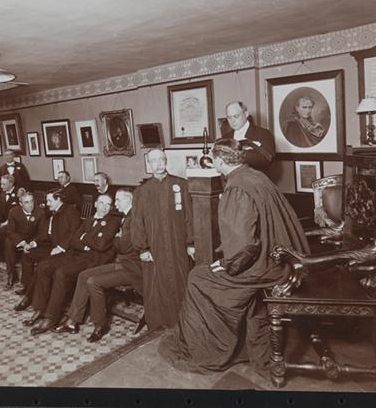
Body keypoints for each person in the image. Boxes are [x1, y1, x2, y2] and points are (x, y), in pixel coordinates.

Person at [159, 138, 310, 377]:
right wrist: (229, 261)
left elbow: (244, 245)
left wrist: (227, 265)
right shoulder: (256, 176)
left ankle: (209, 352)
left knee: (198, 278)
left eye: (214, 160)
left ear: (220, 161)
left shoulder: (236, 187)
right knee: (207, 274)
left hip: (266, 267)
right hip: (285, 260)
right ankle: (243, 345)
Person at [56, 188, 143, 342]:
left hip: (132, 268)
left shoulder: (133, 218)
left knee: (93, 282)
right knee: (84, 275)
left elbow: (122, 247)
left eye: (118, 200)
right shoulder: (126, 217)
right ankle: (72, 321)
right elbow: (120, 244)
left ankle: (100, 325)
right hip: (121, 263)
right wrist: (118, 238)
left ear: (129, 201)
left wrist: (117, 239)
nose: (115, 204)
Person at [29, 194, 121, 335]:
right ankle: (40, 308)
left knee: (61, 273)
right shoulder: (89, 219)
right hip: (77, 254)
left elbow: (101, 245)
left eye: (108, 204)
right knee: (44, 266)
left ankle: (51, 317)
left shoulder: (112, 222)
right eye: (101, 203)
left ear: (111, 207)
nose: (104, 207)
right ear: (95, 204)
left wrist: (84, 237)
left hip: (93, 260)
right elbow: (74, 240)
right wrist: (86, 244)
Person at [132, 148, 195, 330]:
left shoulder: (181, 185)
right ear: (149, 164)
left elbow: (189, 216)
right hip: (154, 246)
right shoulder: (142, 191)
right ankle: (159, 325)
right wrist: (143, 248)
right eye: (154, 161)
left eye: (161, 159)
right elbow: (137, 222)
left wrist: (191, 243)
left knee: (181, 281)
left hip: (177, 245)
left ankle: (184, 324)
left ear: (166, 161)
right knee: (156, 285)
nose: (158, 164)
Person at [15, 191, 80, 317]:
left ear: (58, 199)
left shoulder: (70, 211)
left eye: (50, 201)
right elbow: (45, 233)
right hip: (51, 245)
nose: (47, 203)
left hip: (66, 250)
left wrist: (60, 247)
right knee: (28, 254)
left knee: (43, 265)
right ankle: (29, 288)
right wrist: (34, 243)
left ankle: (29, 296)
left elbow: (74, 231)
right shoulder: (52, 212)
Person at [5, 192, 47, 294]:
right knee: (8, 244)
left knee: (28, 254)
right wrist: (23, 243)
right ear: (21, 203)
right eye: (26, 202)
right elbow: (10, 231)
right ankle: (11, 274)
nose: (30, 205)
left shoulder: (40, 212)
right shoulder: (13, 212)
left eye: (32, 201)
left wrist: (32, 243)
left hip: (33, 239)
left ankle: (27, 284)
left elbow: (42, 232)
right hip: (19, 238)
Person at [222, 101, 275, 171]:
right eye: (229, 117)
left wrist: (237, 155)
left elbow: (267, 160)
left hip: (255, 177)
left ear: (246, 114)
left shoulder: (264, 134)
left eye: (236, 116)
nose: (232, 121)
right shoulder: (225, 138)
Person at [0, 174, 21, 287]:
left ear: (11, 184)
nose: (1, 186)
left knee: (4, 231)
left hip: (18, 227)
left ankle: (12, 274)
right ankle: (11, 274)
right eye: (1, 184)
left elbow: (19, 213)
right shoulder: (2, 195)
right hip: (7, 229)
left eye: (4, 184)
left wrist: (6, 223)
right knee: (7, 242)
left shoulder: (19, 194)